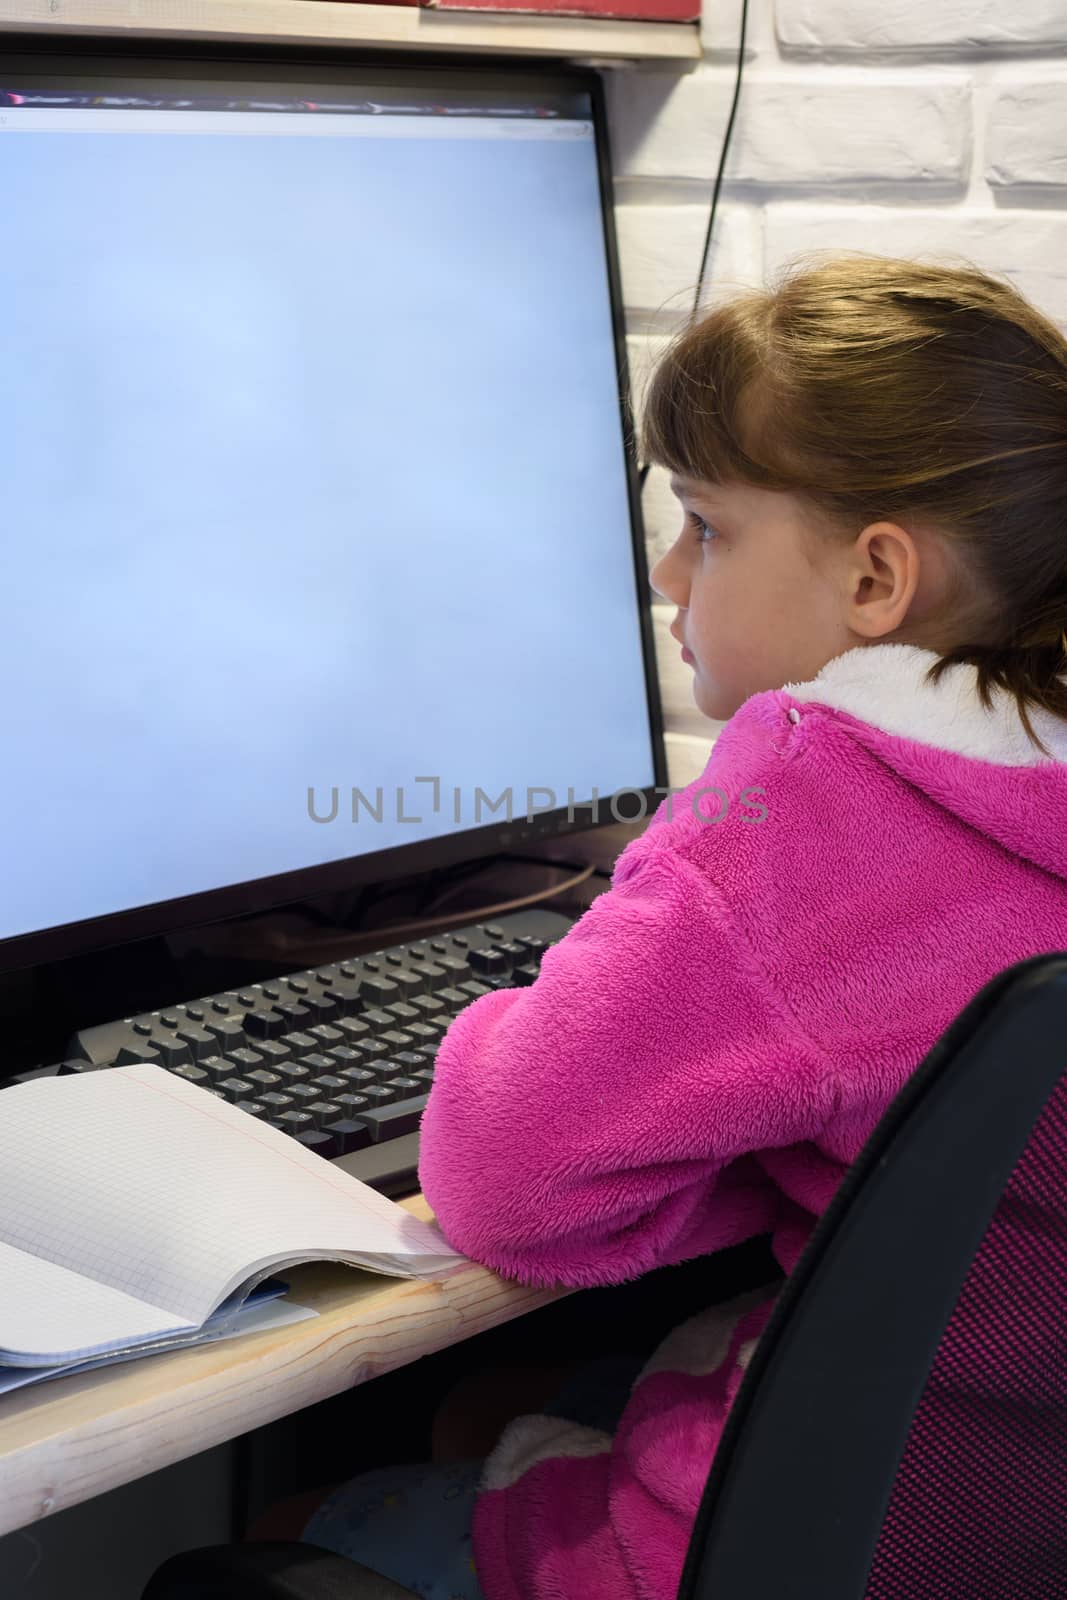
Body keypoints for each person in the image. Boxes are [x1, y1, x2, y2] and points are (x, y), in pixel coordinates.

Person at [278, 252, 1067, 1598]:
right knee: (516, 1394)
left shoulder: (808, 803)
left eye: (708, 525)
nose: (666, 567)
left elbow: (506, 1183)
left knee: (315, 1510)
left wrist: (517, 1003)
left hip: (786, 1548)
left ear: (877, 580)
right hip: (1004, 1514)